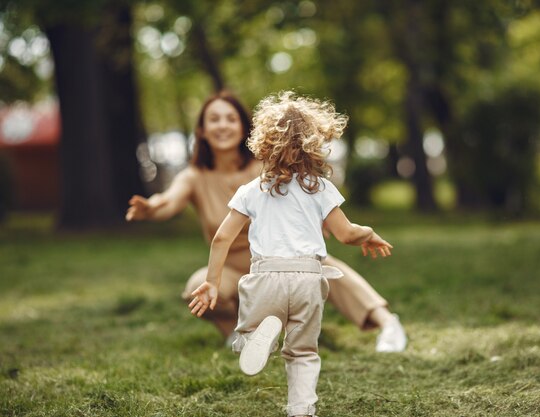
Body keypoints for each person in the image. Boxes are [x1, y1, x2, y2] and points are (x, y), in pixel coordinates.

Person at [126, 90, 406, 352]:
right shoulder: (194, 176)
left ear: (244, 127)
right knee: (197, 286)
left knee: (327, 268)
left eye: (230, 118)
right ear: (202, 130)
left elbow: (302, 192)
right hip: (234, 268)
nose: (222, 125)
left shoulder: (266, 166)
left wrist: (315, 218)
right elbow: (169, 202)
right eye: (214, 119)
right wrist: (150, 208)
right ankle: (241, 337)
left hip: (286, 254)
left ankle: (388, 324)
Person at [188, 91, 393, 417]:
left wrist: (212, 282)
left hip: (265, 276)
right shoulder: (320, 188)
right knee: (302, 352)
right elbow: (346, 233)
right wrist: (367, 235)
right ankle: (301, 409)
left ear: (263, 143)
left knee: (256, 320)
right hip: (308, 280)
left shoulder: (250, 191)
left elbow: (221, 239)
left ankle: (257, 335)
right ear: (315, 142)